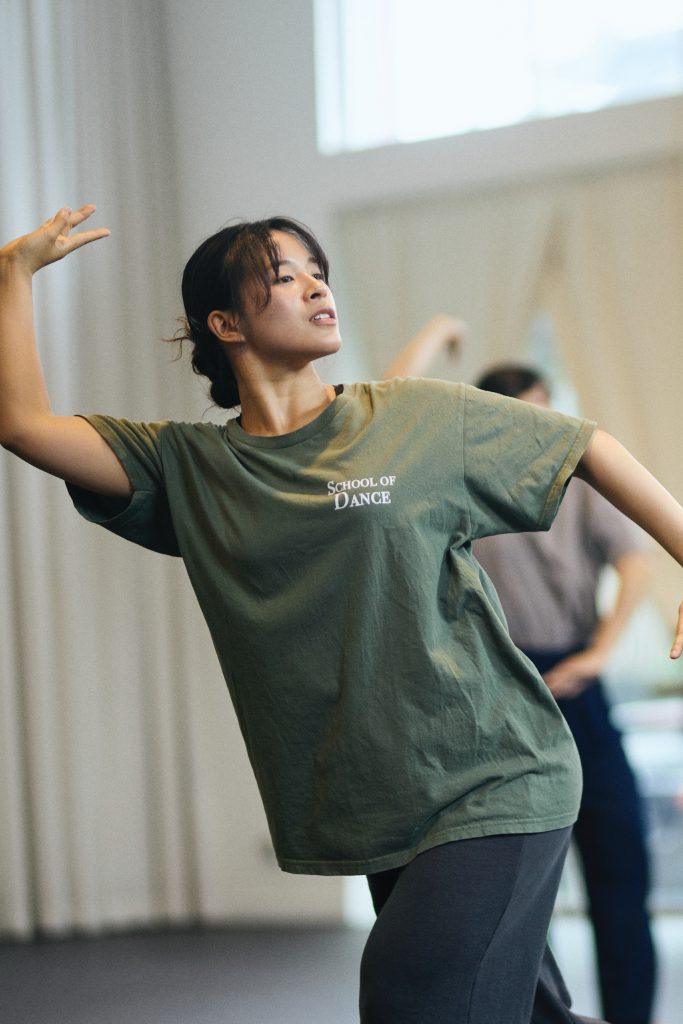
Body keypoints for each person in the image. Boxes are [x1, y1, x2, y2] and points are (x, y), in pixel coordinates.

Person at [2, 206, 683, 1024]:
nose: (315, 282)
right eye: (281, 274)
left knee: (411, 997)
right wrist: (11, 278)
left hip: (492, 774)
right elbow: (23, 425)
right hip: (380, 803)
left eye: (316, 267)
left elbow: (584, 445)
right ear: (223, 324)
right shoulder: (188, 467)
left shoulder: (414, 416)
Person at [387, 319, 658, 1024]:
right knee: (510, 897)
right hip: (490, 695)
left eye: (546, 415)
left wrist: (599, 651)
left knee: (618, 872)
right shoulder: (459, 482)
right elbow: (385, 411)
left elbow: (634, 561)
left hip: (575, 682)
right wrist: (436, 333)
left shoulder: (581, 480)